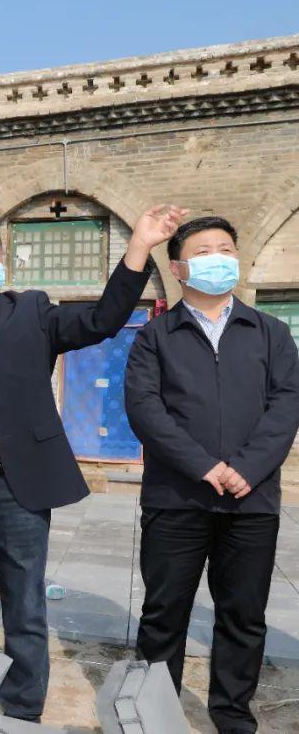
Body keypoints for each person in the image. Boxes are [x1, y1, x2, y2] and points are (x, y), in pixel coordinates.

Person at [0, 206, 185, 732]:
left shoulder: (31, 312)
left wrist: (139, 247)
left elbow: (102, 319)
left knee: (25, 608)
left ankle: (24, 710)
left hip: (17, 490)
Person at [125, 216, 299, 733]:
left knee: (243, 616)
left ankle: (232, 716)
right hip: (175, 499)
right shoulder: (156, 335)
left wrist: (248, 468)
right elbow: (145, 409)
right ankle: (154, 717)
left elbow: (286, 404)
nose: (219, 258)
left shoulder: (270, 332)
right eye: (204, 251)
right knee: (164, 614)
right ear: (179, 268)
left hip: (251, 501)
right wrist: (203, 465)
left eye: (226, 248)